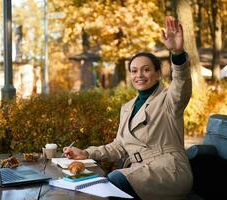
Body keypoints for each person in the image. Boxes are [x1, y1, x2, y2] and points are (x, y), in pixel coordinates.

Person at [63, 16, 193, 200]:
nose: (139, 75)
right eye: (134, 70)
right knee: (95, 184)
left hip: (169, 171)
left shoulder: (168, 99)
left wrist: (178, 53)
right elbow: (118, 146)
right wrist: (86, 153)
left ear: (157, 73)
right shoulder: (127, 107)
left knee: (113, 181)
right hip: (139, 170)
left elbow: (181, 84)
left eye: (146, 69)